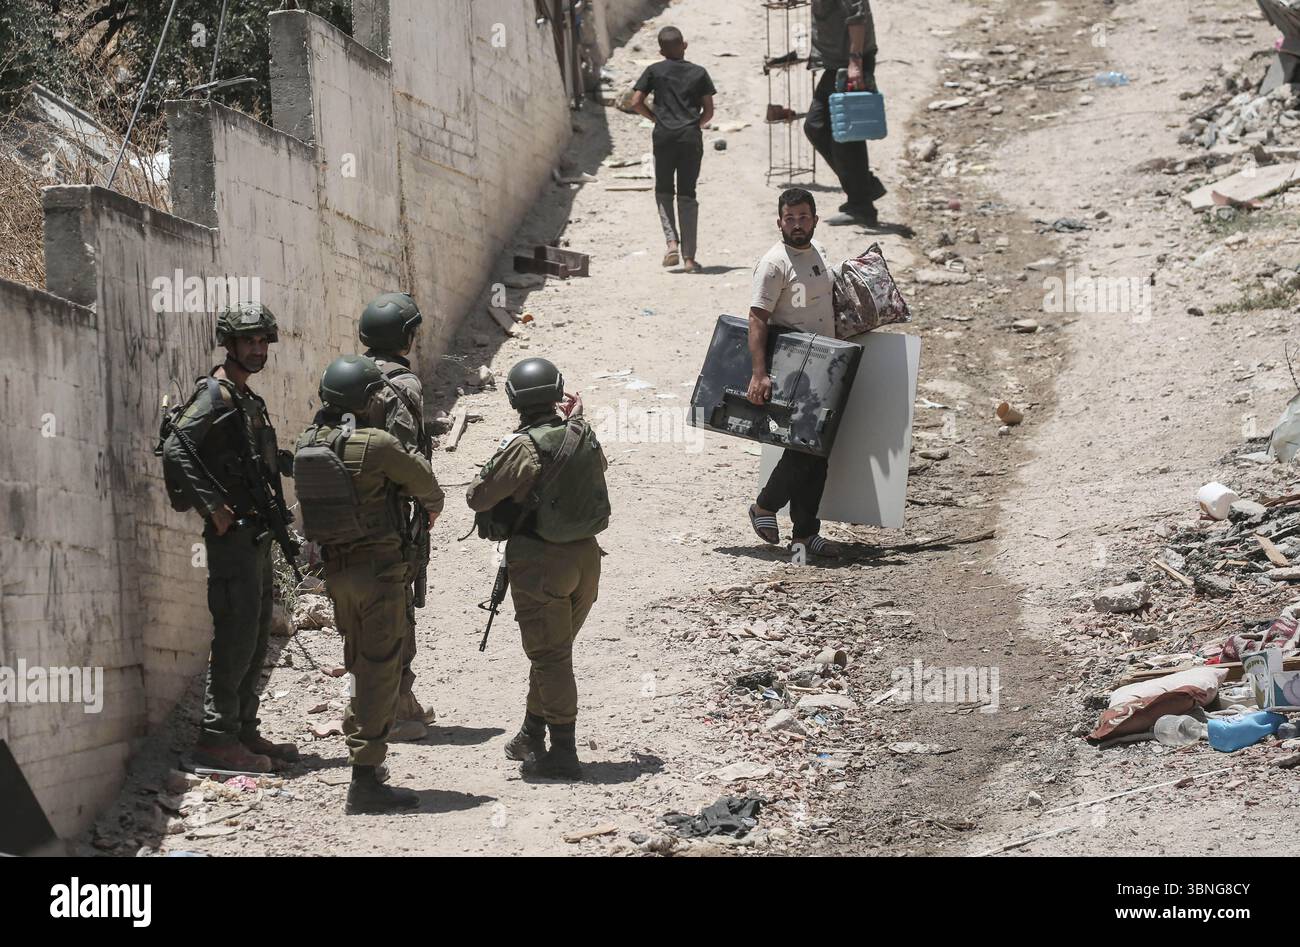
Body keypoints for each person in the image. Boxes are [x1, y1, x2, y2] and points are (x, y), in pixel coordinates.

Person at [293, 355, 445, 813]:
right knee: (380, 669)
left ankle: (365, 756)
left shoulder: (308, 443)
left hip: (337, 575)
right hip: (379, 573)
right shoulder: (376, 444)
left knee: (359, 663)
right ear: (366, 399)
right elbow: (429, 488)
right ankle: (365, 779)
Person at [162, 303, 300, 773]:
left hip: (256, 536)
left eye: (263, 341)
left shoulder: (245, 398)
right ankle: (216, 738)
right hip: (233, 537)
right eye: (249, 342)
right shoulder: (215, 394)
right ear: (231, 344)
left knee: (257, 633)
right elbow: (176, 446)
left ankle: (241, 728)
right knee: (235, 636)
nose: (258, 349)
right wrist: (212, 507)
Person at [465, 358, 610, 780]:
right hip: (586, 559)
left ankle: (563, 753)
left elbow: (477, 497)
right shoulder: (583, 433)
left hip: (543, 563)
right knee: (553, 651)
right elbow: (594, 467)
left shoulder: (522, 446)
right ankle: (531, 732)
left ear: (513, 400)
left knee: (551, 656)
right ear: (558, 392)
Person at [746, 188, 841, 559]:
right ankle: (765, 506)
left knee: (818, 453)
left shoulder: (818, 253)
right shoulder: (773, 263)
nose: (797, 225)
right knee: (803, 447)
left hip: (826, 365)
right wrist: (759, 373)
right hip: (793, 368)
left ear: (815, 219)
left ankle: (805, 534)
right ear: (779, 222)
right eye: (790, 218)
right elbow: (757, 318)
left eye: (803, 217)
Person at [358, 291, 435, 742]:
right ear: (403, 338)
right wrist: (426, 501)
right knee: (399, 601)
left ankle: (368, 699)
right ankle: (398, 704)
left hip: (352, 510)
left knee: (365, 605)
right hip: (391, 513)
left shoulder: (349, 376)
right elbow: (405, 455)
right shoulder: (403, 385)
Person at [630, 25, 716, 273]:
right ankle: (689, 259)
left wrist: (656, 119)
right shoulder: (699, 73)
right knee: (688, 194)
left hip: (663, 137)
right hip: (690, 138)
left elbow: (636, 101)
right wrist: (694, 125)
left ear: (660, 51)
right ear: (684, 45)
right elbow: (709, 111)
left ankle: (671, 243)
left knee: (664, 190)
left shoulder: (654, 71)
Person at [804, 0, 885, 226]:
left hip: (849, 62)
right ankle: (864, 189)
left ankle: (862, 205)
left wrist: (855, 62)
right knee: (817, 127)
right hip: (835, 62)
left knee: (847, 134)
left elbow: (857, 14)